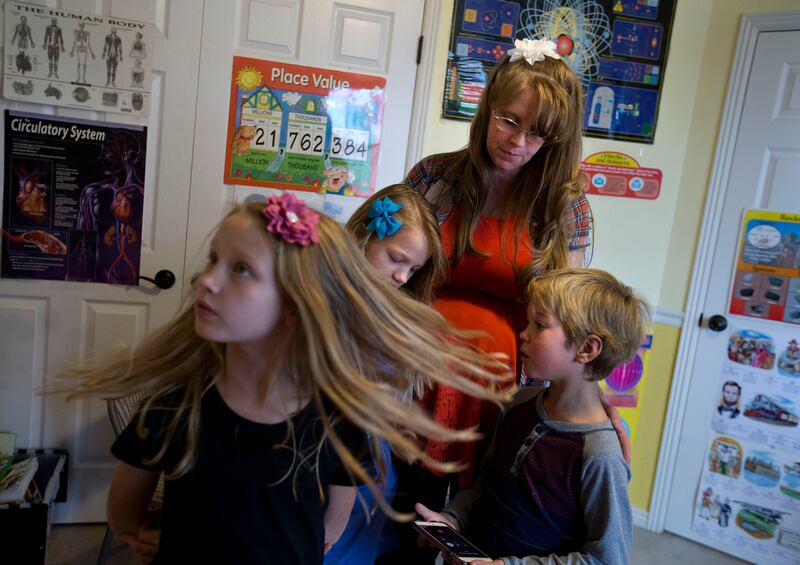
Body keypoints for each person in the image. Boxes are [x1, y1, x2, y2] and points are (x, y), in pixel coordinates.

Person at [60, 194, 512, 564]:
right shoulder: (172, 408)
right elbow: (125, 516)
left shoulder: (339, 419)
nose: (206, 280)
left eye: (240, 269)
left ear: (297, 306)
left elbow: (329, 532)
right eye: (216, 260)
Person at [383, 38, 613, 563]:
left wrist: (589, 396)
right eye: (509, 121)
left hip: (507, 390)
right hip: (413, 373)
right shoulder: (433, 177)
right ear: (487, 106)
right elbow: (390, 267)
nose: (518, 142)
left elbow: (568, 313)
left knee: (478, 516)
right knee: (399, 507)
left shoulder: (565, 208)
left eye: (539, 134)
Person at [417, 268, 649, 564]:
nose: (523, 333)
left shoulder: (600, 455)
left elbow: (607, 559)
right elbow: (485, 484)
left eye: (539, 325)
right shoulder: (518, 404)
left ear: (587, 349)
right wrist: (453, 520)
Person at [323, 185, 447, 564]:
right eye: (397, 259)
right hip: (321, 454)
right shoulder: (323, 300)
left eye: (413, 269)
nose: (403, 277)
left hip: (369, 468)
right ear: (364, 234)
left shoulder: (397, 317)